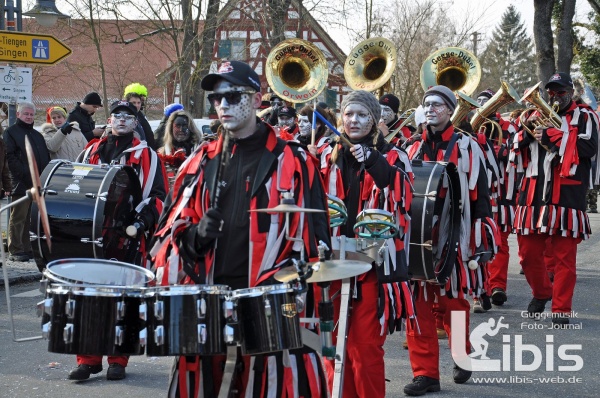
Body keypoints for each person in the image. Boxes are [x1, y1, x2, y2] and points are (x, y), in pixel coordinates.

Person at [150, 60, 331, 396]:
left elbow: (317, 241)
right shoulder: (200, 160)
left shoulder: (294, 160)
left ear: (258, 99)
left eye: (233, 96)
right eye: (216, 98)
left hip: (269, 304)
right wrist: (195, 237)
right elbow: (167, 235)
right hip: (208, 303)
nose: (223, 105)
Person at [319, 90, 415, 397]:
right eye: (349, 114)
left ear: (374, 120)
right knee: (331, 346)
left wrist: (374, 161)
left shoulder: (393, 154)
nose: (354, 120)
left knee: (364, 347)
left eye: (362, 115)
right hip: (332, 261)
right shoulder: (326, 155)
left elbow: (404, 197)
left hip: (372, 264)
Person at [404, 85, 497, 395]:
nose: (430, 109)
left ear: (449, 110)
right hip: (418, 238)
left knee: (453, 303)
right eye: (426, 104)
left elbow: (481, 195)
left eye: (437, 104)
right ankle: (425, 374)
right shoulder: (412, 148)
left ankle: (460, 354)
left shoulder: (468, 147)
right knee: (417, 307)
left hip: (454, 236)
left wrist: (481, 237)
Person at [69, 100, 168, 381]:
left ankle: (117, 360)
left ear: (136, 123)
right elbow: (74, 184)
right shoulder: (90, 151)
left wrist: (140, 222)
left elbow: (159, 196)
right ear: (109, 120)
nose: (121, 120)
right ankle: (87, 359)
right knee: (87, 297)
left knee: (122, 299)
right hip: (92, 235)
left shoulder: (147, 155)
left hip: (127, 236)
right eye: (116, 116)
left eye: (128, 116)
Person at [513, 72, 598, 326]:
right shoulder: (530, 116)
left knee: (564, 257)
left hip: (567, 192)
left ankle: (561, 309)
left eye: (561, 91)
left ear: (570, 91)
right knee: (527, 254)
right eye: (551, 92)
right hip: (533, 192)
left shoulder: (585, 116)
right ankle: (541, 293)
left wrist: (553, 135)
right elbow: (512, 146)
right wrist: (528, 134)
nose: (556, 96)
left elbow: (588, 148)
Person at [3, 102, 50, 262]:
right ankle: (15, 249)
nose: (29, 117)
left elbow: (45, 157)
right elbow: (10, 157)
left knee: (30, 218)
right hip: (20, 182)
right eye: (26, 114)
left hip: (38, 183)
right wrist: (26, 174)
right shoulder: (11, 132)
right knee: (18, 217)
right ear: (18, 114)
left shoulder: (37, 135)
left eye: (31, 114)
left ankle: (26, 247)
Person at [157, 109, 202, 186]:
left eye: (184, 126)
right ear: (171, 128)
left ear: (190, 128)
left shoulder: (200, 152)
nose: (181, 130)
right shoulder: (162, 154)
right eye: (177, 126)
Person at [123, 82, 157, 149]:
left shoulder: (140, 116)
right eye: (134, 102)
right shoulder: (125, 117)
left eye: (139, 102)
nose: (137, 105)